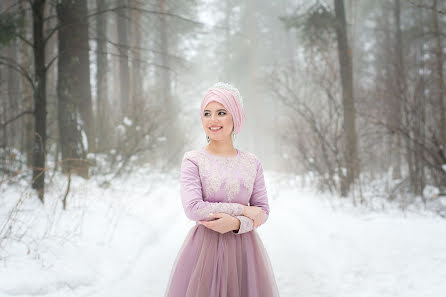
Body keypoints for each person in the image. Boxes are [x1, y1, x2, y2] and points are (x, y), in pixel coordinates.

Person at [164, 82, 280, 297]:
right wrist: (243, 210)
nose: (213, 120)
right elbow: (193, 208)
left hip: (245, 250)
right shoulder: (193, 160)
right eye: (207, 113)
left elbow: (262, 210)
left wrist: (236, 224)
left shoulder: (252, 162)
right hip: (203, 251)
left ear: (235, 117)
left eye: (221, 112)